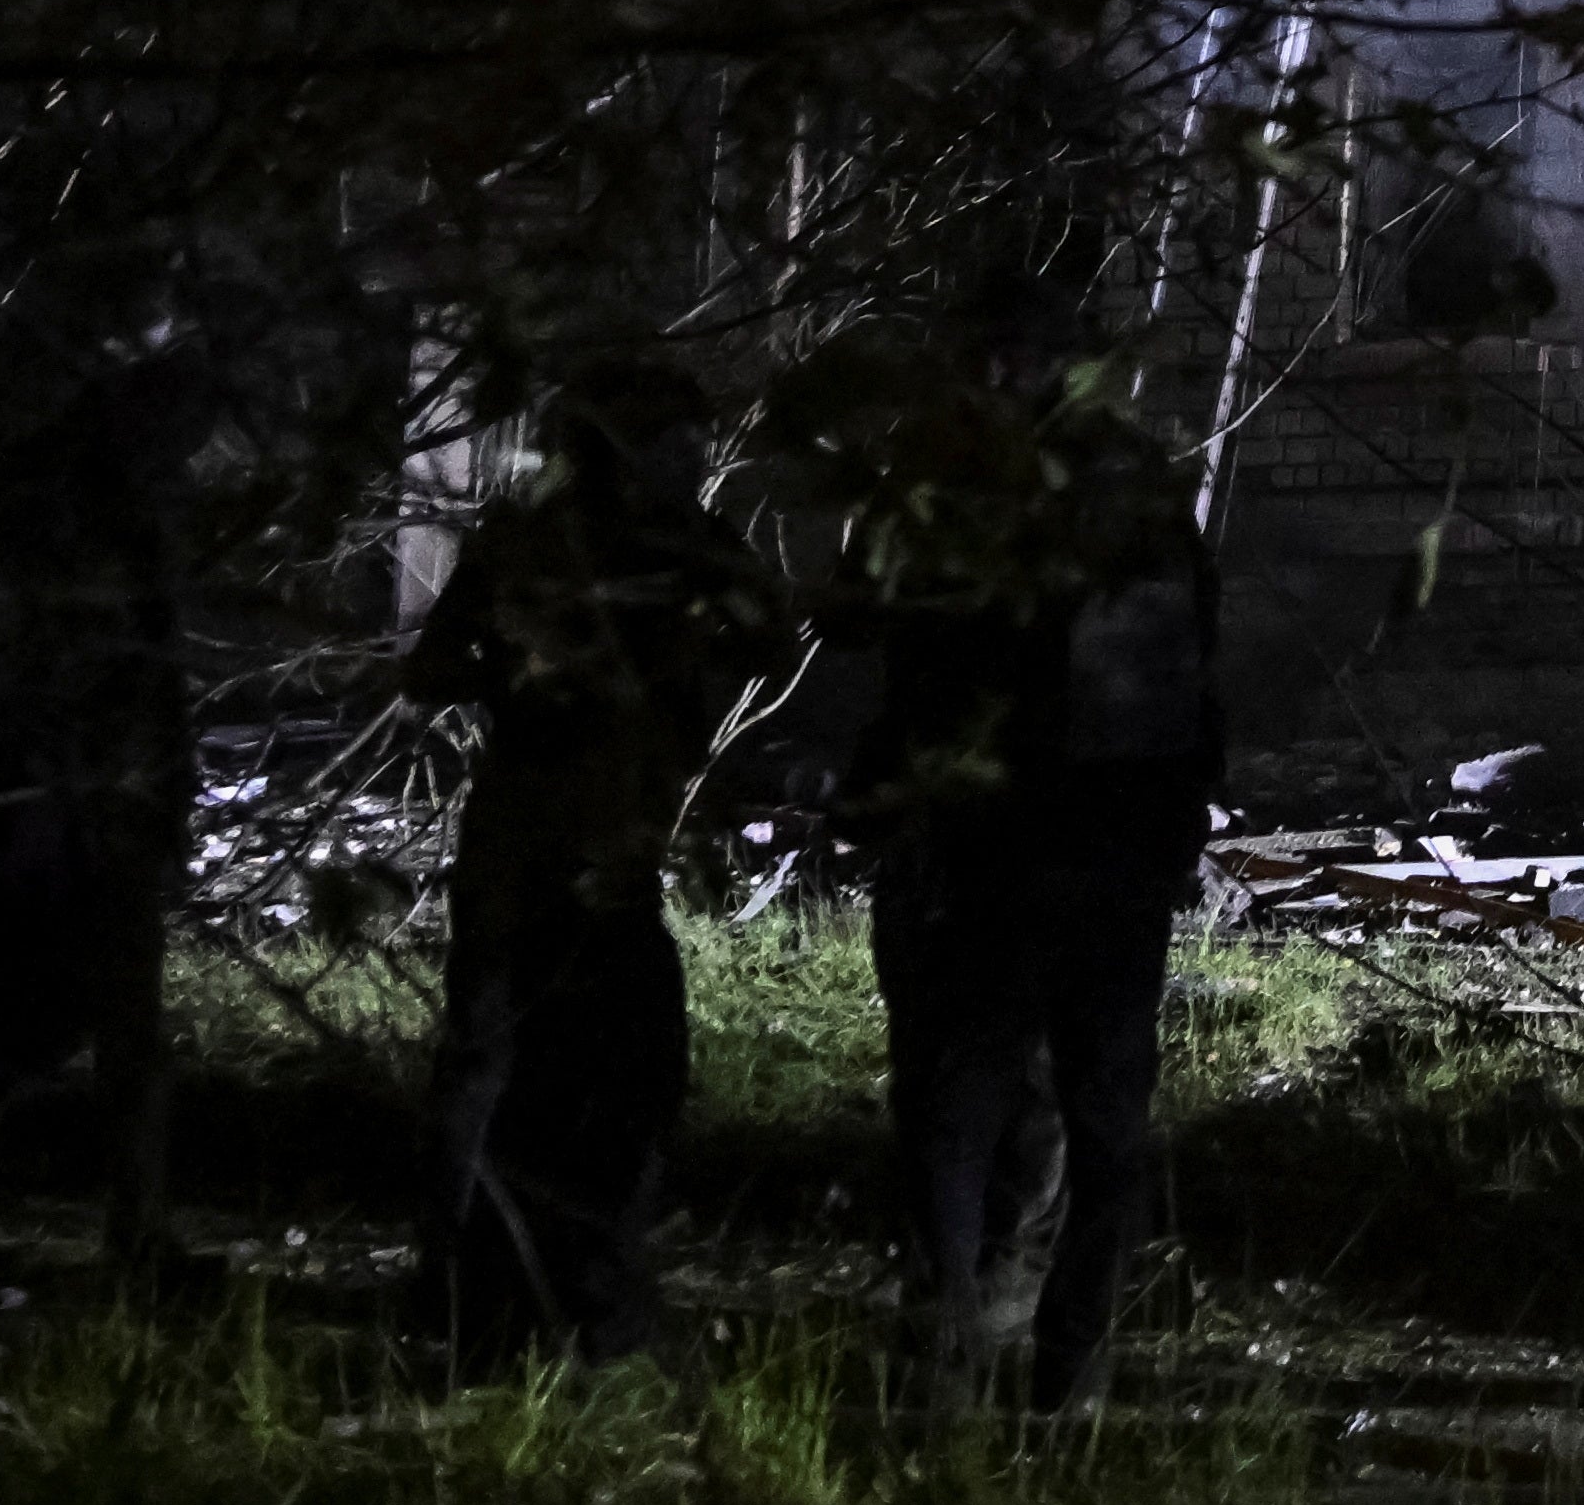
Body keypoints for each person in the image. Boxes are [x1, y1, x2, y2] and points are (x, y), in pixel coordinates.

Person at [843, 373, 1219, 1411]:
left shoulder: (970, 502)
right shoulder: (1139, 511)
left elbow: (883, 648)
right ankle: (1069, 1371)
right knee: (1095, 1128)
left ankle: (947, 1368)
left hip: (991, 858)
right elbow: (1196, 697)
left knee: (959, 1117)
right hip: (1107, 865)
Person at [402, 362, 772, 1370]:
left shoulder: (656, 539)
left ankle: (484, 1295)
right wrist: (535, 670)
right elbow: (430, 666)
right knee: (561, 1075)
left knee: (519, 1070)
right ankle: (511, 1301)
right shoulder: (554, 538)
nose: (692, 464)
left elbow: (772, 634)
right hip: (556, 848)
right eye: (673, 445)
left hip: (581, 847)